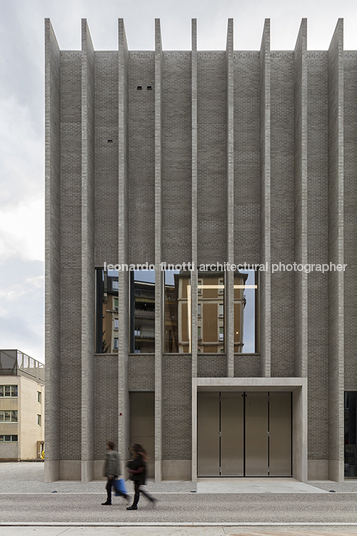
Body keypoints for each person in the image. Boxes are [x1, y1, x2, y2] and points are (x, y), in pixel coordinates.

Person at [126, 443, 156, 510]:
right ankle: (151, 499)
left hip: (138, 476)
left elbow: (136, 465)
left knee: (137, 490)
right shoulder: (140, 455)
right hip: (139, 476)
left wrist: (129, 463)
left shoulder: (139, 456)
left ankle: (134, 505)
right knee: (138, 489)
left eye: (132, 449)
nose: (131, 451)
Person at [102, 440, 130, 505]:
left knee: (108, 487)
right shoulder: (114, 453)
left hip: (112, 474)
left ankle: (109, 500)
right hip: (114, 473)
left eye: (107, 445)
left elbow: (112, 465)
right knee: (114, 487)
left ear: (109, 446)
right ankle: (125, 496)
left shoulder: (111, 454)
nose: (106, 446)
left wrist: (111, 474)